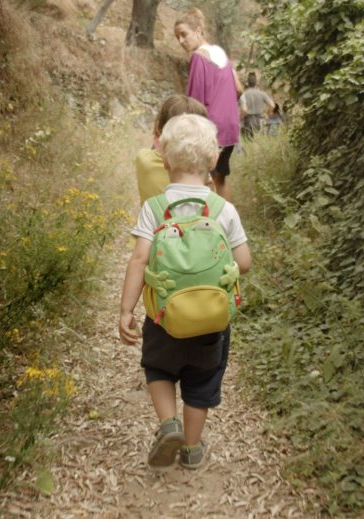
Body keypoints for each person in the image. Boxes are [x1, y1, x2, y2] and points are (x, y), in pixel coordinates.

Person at [119, 114, 252, 470]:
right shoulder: (224, 210)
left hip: (164, 316)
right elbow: (244, 261)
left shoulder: (155, 209)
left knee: (158, 368)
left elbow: (138, 259)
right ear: (212, 160)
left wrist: (126, 310)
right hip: (210, 321)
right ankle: (192, 449)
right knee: (201, 383)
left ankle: (168, 424)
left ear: (164, 159)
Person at [174, 8, 241, 202]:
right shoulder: (220, 54)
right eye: (177, 37)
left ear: (199, 30)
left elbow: (194, 103)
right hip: (230, 127)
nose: (181, 41)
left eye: (184, 34)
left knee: (198, 181)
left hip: (212, 129)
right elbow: (238, 88)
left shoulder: (198, 57)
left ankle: (205, 226)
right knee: (220, 181)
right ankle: (229, 225)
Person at [134, 94, 208, 205]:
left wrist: (159, 133)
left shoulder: (143, 159)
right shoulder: (201, 172)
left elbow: (157, 148)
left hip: (152, 222)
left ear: (159, 128)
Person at [239, 72, 275, 139]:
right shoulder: (262, 93)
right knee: (259, 142)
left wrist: (240, 118)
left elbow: (243, 109)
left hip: (248, 122)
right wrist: (267, 114)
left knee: (248, 143)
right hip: (260, 121)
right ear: (256, 82)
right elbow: (272, 105)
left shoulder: (244, 94)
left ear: (248, 82)